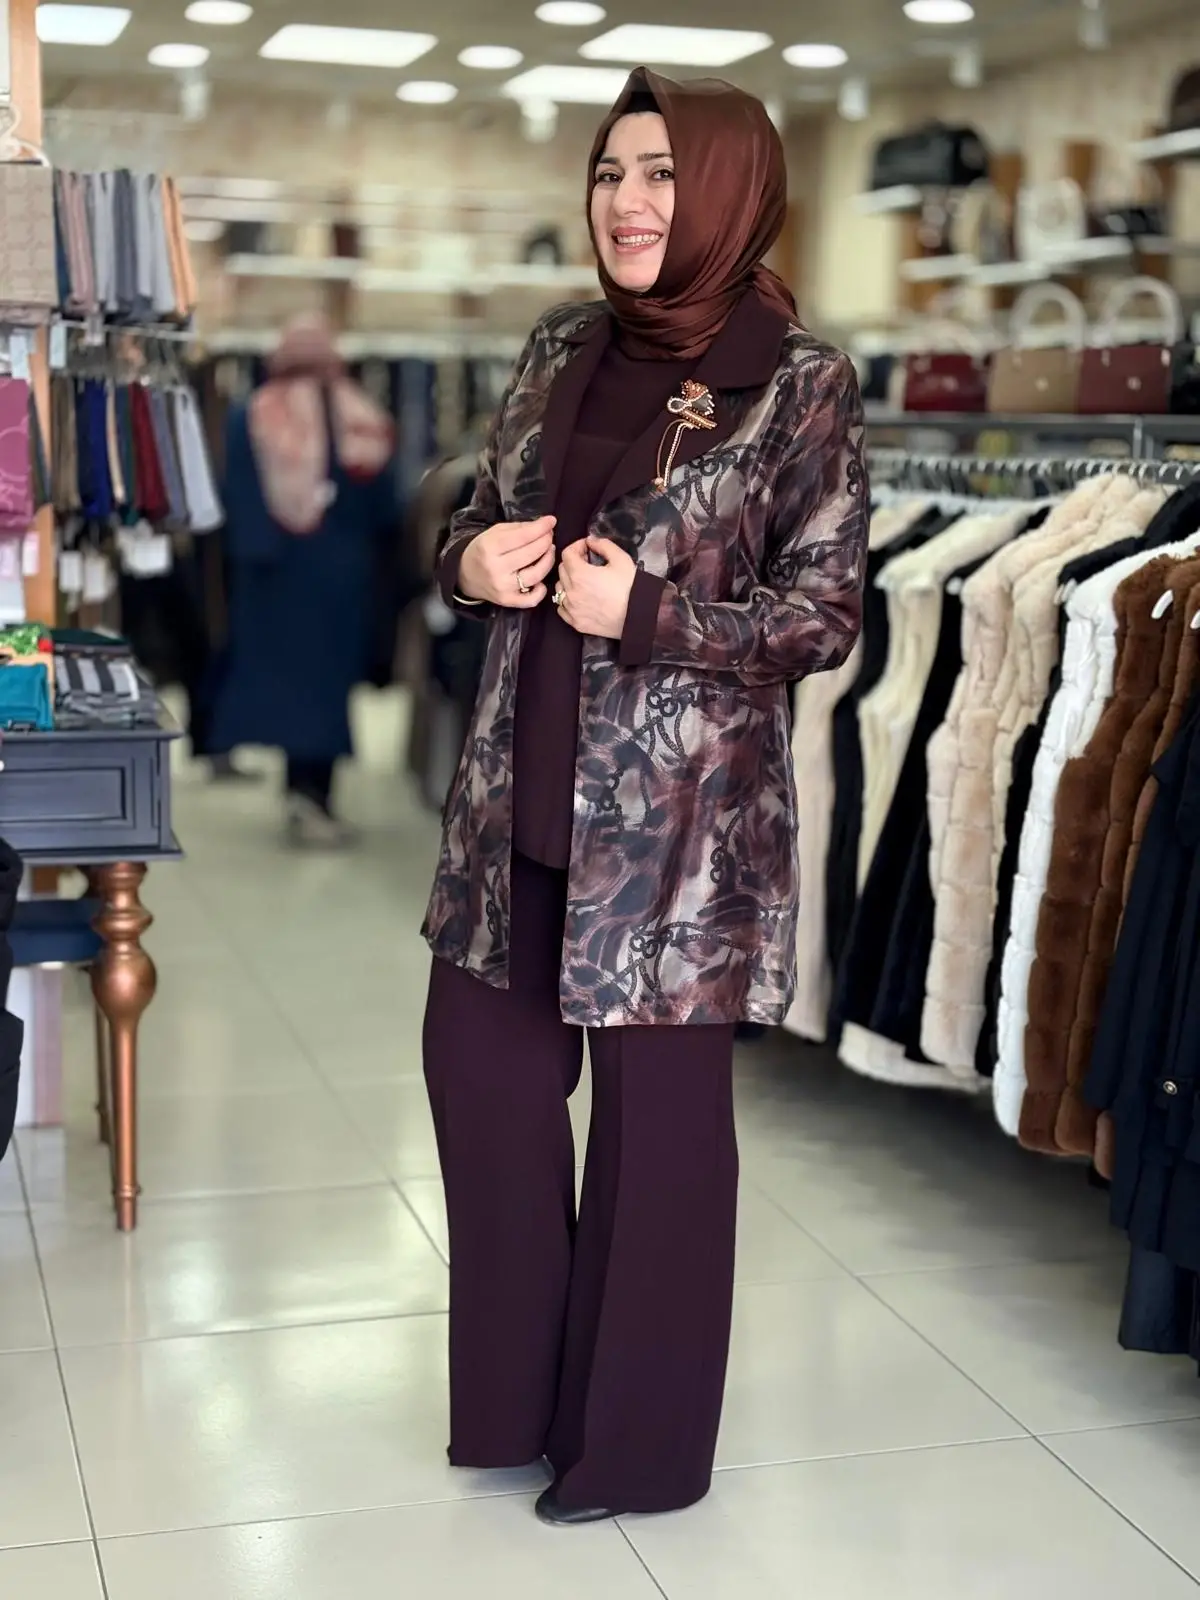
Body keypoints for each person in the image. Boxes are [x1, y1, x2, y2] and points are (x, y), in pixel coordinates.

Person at [421, 67, 868, 1525]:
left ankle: (635, 1449)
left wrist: (655, 616)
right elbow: (478, 514)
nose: (628, 202)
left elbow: (825, 617)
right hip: (516, 808)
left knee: (656, 1153)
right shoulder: (560, 344)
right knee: (480, 1087)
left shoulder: (798, 382)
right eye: (612, 172)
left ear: (729, 192)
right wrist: (467, 562)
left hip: (679, 846)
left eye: (664, 173)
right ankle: (514, 1404)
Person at [211, 314, 405, 847]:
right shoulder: (360, 414)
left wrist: (249, 561)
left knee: (288, 686)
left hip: (274, 577)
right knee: (327, 689)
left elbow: (237, 499)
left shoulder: (253, 414)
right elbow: (386, 506)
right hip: (340, 577)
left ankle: (301, 793)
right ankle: (315, 796)